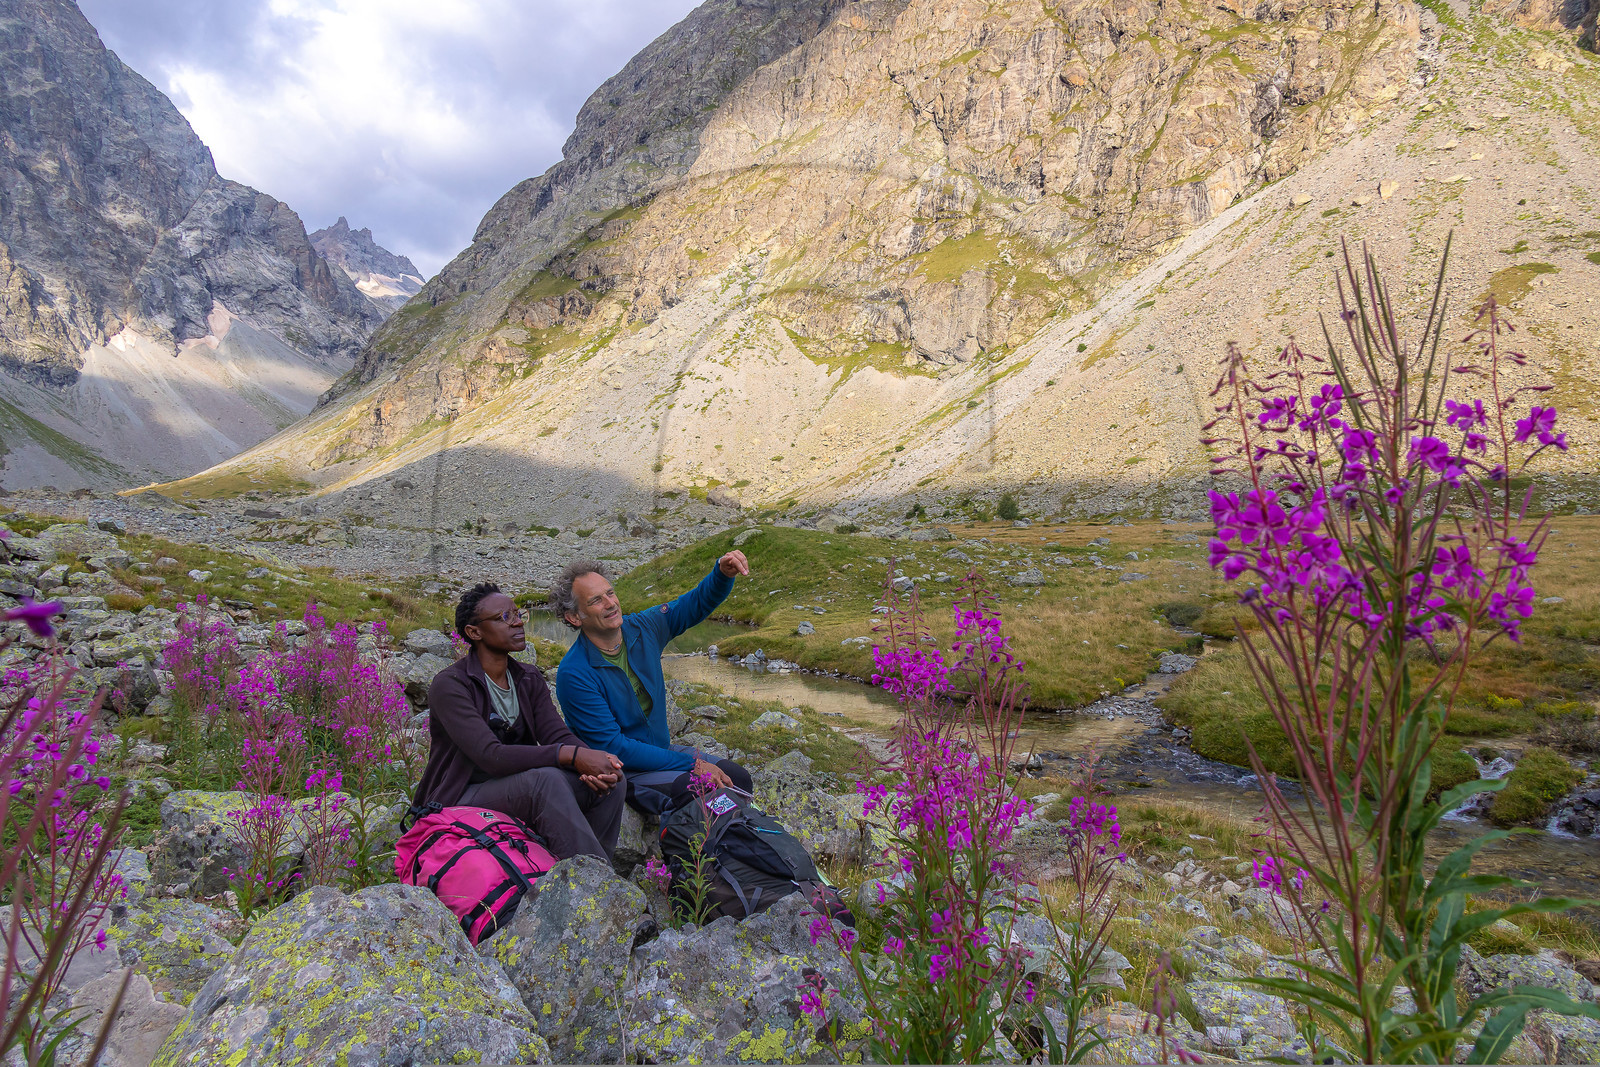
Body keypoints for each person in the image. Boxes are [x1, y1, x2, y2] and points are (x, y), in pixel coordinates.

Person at [412, 582, 627, 860]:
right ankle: (594, 880)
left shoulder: (527, 678)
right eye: (505, 618)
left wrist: (590, 761)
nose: (518, 623)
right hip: (460, 796)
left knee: (611, 779)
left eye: (518, 614)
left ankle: (583, 870)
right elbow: (491, 756)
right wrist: (571, 756)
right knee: (544, 781)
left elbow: (556, 735)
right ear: (474, 632)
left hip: (515, 787)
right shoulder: (451, 685)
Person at [554, 552, 752, 813]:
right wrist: (691, 764)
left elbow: (691, 606)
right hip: (625, 772)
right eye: (596, 601)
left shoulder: (642, 628)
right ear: (574, 617)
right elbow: (614, 747)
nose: (610, 603)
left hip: (659, 751)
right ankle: (694, 848)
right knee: (701, 788)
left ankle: (742, 838)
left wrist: (722, 574)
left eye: (610, 593)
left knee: (737, 778)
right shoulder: (575, 673)